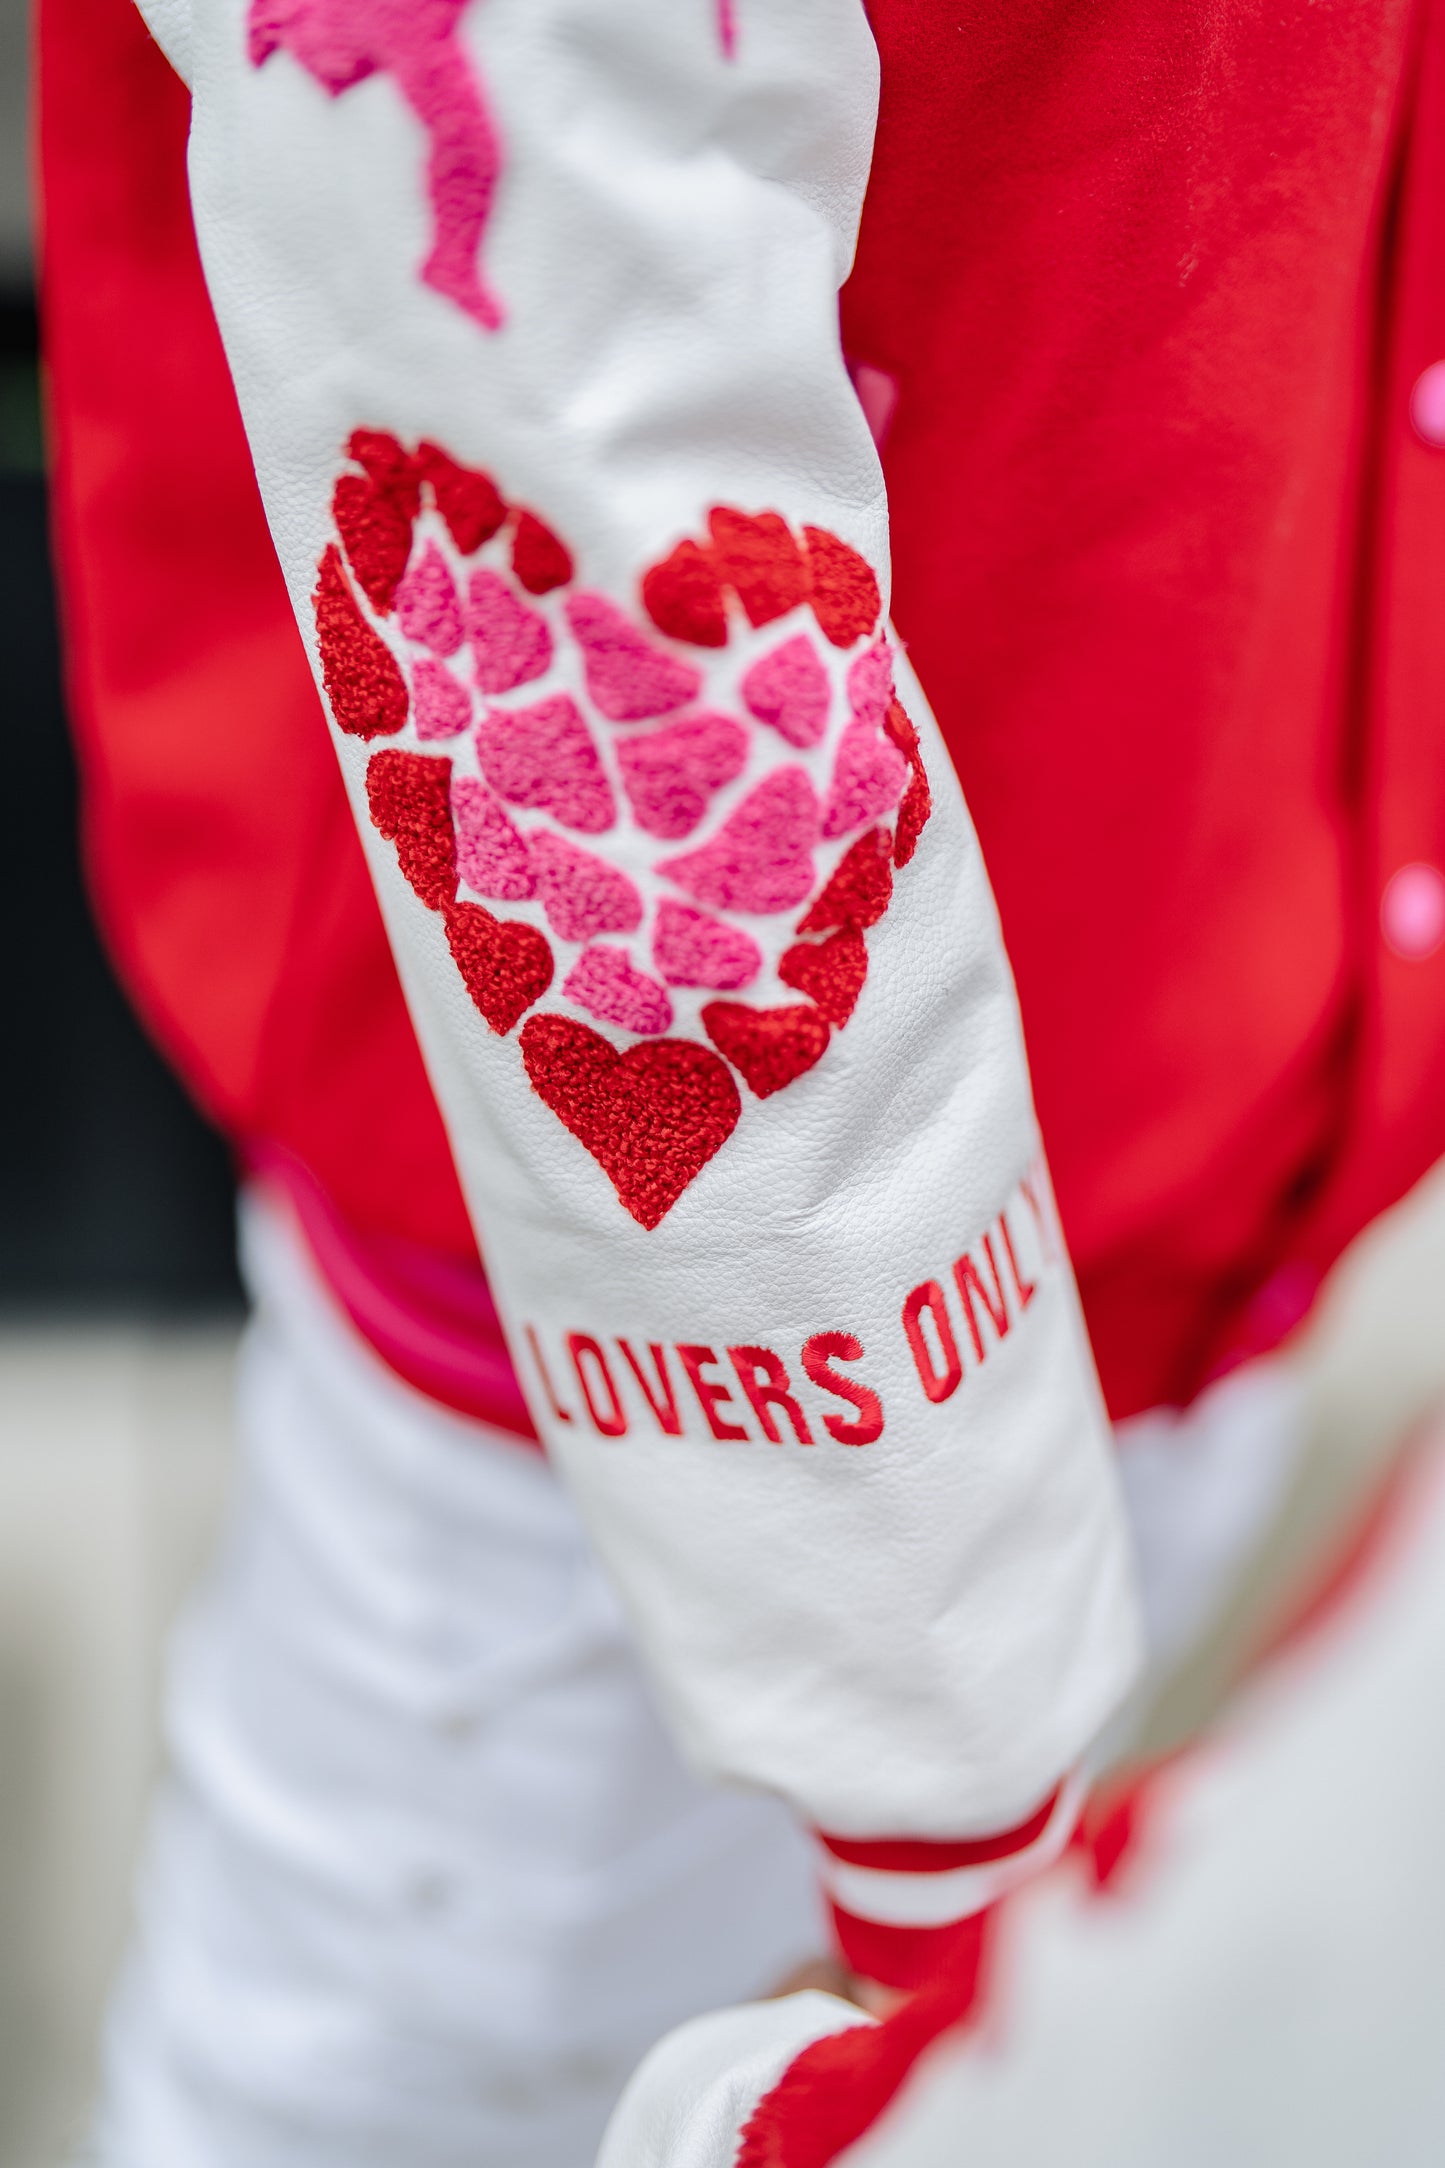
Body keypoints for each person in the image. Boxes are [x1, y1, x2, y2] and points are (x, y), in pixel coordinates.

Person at [37, 0, 1445, 2161]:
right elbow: (551, 331)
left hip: (1236, 1011)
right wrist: (947, 1787)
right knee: (407, 2083)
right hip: (638, 1327)